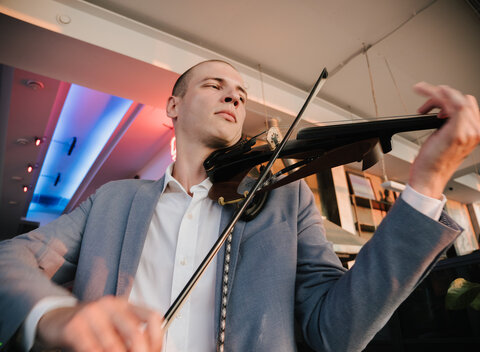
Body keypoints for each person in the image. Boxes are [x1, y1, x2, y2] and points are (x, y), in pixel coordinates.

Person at [0, 59, 478, 352]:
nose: (234, 94)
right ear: (173, 106)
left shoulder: (286, 200)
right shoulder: (113, 198)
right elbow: (10, 258)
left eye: (242, 94)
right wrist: (54, 315)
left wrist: (428, 184)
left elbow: (337, 333)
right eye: (213, 85)